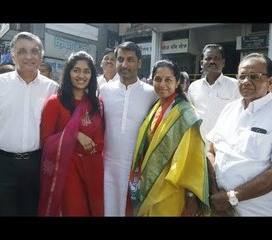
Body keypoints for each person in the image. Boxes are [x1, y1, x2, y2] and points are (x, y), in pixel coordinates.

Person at [0, 31, 59, 216]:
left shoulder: (52, 88)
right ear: (13, 54)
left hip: (36, 166)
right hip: (0, 165)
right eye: (22, 51)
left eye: (34, 51)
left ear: (42, 56)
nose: (29, 56)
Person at [207, 53, 272, 216]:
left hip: (259, 212)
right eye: (242, 76)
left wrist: (231, 197)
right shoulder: (230, 109)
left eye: (254, 76)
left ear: (270, 81)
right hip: (220, 207)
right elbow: (210, 149)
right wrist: (215, 190)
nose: (245, 81)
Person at [127, 60, 210, 216]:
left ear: (177, 82)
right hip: (150, 183)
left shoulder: (186, 114)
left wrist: (190, 196)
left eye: (168, 80)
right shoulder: (156, 106)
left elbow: (192, 160)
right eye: (158, 79)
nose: (162, 84)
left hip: (170, 189)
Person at [38, 51, 104, 216]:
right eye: (76, 70)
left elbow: (101, 138)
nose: (81, 75)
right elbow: (45, 141)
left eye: (86, 71)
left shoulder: (96, 104)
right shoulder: (55, 102)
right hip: (65, 172)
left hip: (92, 170)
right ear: (68, 73)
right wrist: (74, 135)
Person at [99, 41, 157, 216]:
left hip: (138, 167)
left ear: (139, 62)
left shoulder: (151, 93)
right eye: (120, 59)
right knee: (108, 206)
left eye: (130, 59)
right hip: (108, 164)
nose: (124, 65)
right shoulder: (104, 91)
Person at [187, 44, 241, 141]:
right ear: (201, 63)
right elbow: (189, 115)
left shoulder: (235, 86)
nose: (212, 62)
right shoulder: (194, 87)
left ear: (223, 62)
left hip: (223, 144)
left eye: (216, 58)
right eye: (208, 58)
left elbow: (240, 116)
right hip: (197, 142)